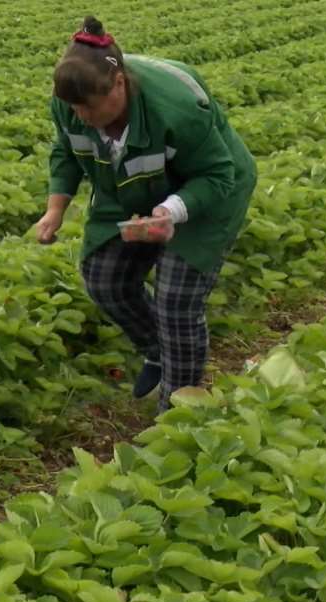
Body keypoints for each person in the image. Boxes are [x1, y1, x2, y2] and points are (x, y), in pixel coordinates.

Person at [34, 16, 256, 412]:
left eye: (89, 108)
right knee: (105, 279)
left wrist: (169, 211)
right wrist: (55, 210)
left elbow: (216, 173)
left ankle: (177, 412)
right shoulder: (71, 103)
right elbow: (66, 151)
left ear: (118, 85)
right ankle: (158, 350)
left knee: (177, 302)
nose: (81, 116)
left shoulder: (178, 108)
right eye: (74, 109)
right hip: (131, 187)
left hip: (209, 189)